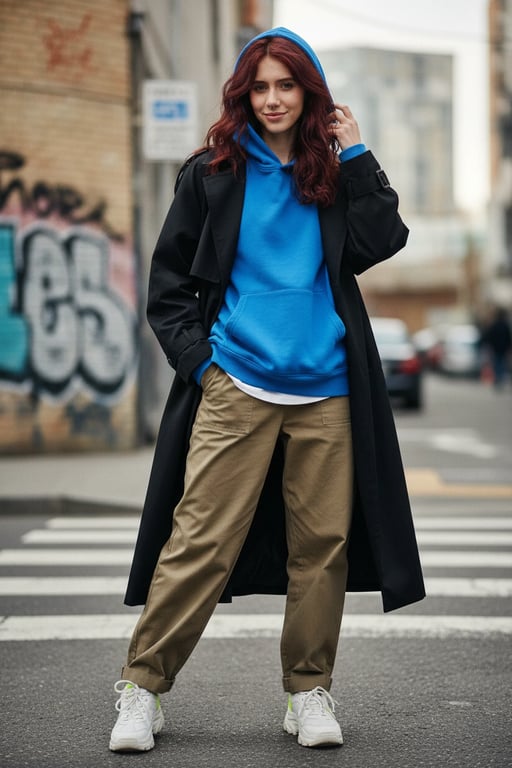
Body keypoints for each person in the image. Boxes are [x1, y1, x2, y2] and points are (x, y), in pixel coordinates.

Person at [109, 27, 425, 753]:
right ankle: (142, 689)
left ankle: (308, 693)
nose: (274, 98)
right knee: (199, 541)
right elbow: (169, 290)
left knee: (323, 548)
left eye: (288, 85)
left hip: (328, 390)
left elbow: (385, 239)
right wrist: (205, 365)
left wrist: (355, 152)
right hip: (237, 385)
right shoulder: (212, 173)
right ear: (242, 94)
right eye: (261, 86)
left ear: (309, 94)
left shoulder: (332, 172)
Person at [481, 307, 512, 389]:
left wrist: (489, 346)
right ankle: (500, 378)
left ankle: (498, 378)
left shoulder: (494, 325)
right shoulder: (505, 325)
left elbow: (490, 337)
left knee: (497, 363)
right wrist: (508, 347)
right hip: (503, 348)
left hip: (496, 348)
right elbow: (508, 337)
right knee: (501, 363)